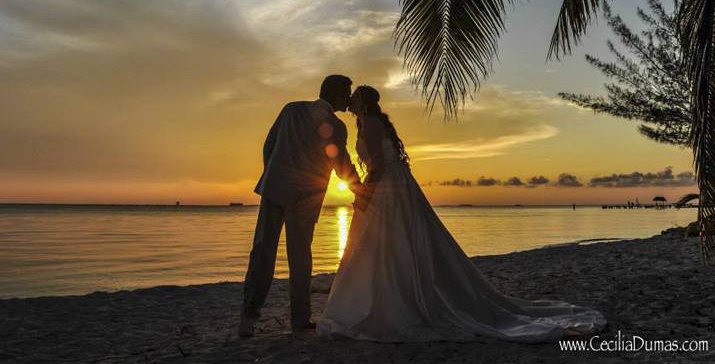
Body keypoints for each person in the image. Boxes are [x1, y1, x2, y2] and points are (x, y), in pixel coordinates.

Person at [317, 85, 606, 342]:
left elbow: (378, 164)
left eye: (354, 97)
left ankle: (389, 301)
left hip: (386, 188)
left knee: (387, 243)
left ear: (363, 103)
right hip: (396, 185)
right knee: (394, 243)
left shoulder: (368, 123)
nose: (350, 102)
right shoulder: (373, 122)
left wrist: (364, 195)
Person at [239, 75, 363, 336]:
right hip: (305, 197)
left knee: (262, 252)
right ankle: (300, 318)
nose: (349, 99)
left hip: (274, 188)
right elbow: (340, 163)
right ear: (338, 95)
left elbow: (269, 145)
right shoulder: (336, 126)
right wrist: (360, 188)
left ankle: (248, 317)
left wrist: (274, 172)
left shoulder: (291, 109)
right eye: (347, 93)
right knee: (300, 257)